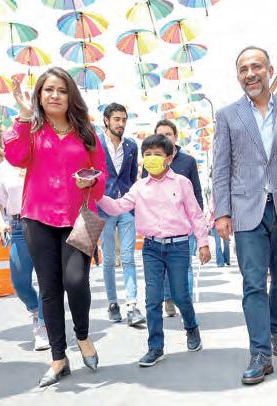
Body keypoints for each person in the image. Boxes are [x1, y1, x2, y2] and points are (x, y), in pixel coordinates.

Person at [213, 46, 277, 385]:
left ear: (269, 71)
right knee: (253, 284)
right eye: (243, 69)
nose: (250, 74)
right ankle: (260, 353)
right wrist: (222, 212)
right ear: (238, 76)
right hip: (247, 212)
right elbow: (221, 168)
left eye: (256, 66)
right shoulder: (228, 116)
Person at [6, 67, 107, 387]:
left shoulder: (86, 131)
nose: (54, 95)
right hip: (37, 218)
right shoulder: (31, 128)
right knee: (49, 289)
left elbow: (102, 174)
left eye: (62, 90)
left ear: (70, 96)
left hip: (82, 218)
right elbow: (16, 157)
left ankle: (83, 336)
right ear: (39, 95)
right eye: (48, 90)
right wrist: (24, 116)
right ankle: (59, 358)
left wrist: (91, 180)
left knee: (76, 280)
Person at [99, 134, 211, 367]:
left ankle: (191, 327)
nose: (151, 158)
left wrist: (203, 243)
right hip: (151, 248)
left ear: (169, 158)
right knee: (152, 299)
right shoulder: (139, 187)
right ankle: (155, 347)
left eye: (157, 154)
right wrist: (97, 194)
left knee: (180, 295)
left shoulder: (182, 183)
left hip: (178, 246)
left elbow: (195, 214)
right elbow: (118, 206)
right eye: (147, 154)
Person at [0, 160, 50, 351]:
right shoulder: (5, 167)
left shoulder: (42, 156)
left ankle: (43, 325)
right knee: (19, 282)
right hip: (18, 226)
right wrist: (0, 223)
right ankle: (36, 310)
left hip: (46, 221)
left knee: (47, 279)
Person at [145, 119, 204, 317]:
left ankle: (185, 304)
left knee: (185, 267)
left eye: (168, 134)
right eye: (160, 134)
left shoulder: (188, 161)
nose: (164, 138)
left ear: (176, 137)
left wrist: (198, 223)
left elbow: (196, 192)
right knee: (163, 269)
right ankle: (169, 298)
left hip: (184, 225)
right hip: (159, 227)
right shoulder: (151, 161)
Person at [97, 103, 144, 326]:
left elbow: (132, 176)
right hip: (103, 207)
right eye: (117, 119)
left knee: (128, 257)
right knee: (108, 259)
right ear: (106, 120)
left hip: (126, 206)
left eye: (124, 119)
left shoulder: (131, 146)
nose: (121, 123)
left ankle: (132, 306)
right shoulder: (95, 143)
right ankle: (112, 303)